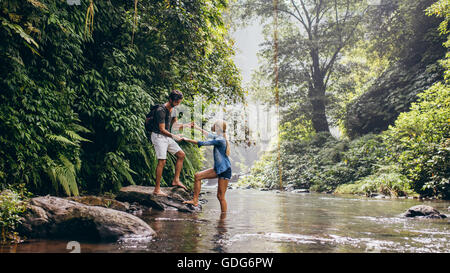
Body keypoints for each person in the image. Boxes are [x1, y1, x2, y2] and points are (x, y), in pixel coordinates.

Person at [182, 120, 232, 213]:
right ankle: (195, 200)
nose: (213, 126)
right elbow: (208, 134)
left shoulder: (220, 140)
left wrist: (186, 139)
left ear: (218, 128)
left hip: (225, 170)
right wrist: (197, 128)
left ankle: (223, 219)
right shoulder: (218, 137)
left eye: (215, 125)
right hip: (218, 169)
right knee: (198, 176)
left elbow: (203, 143)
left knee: (220, 197)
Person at [149, 90, 190, 196]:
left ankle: (176, 180)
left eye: (179, 102)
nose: (177, 104)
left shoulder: (173, 109)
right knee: (162, 161)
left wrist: (187, 125)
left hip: (167, 136)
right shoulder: (160, 110)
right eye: (176, 102)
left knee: (181, 155)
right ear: (170, 99)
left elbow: (175, 125)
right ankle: (157, 189)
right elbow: (162, 129)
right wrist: (174, 136)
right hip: (158, 136)